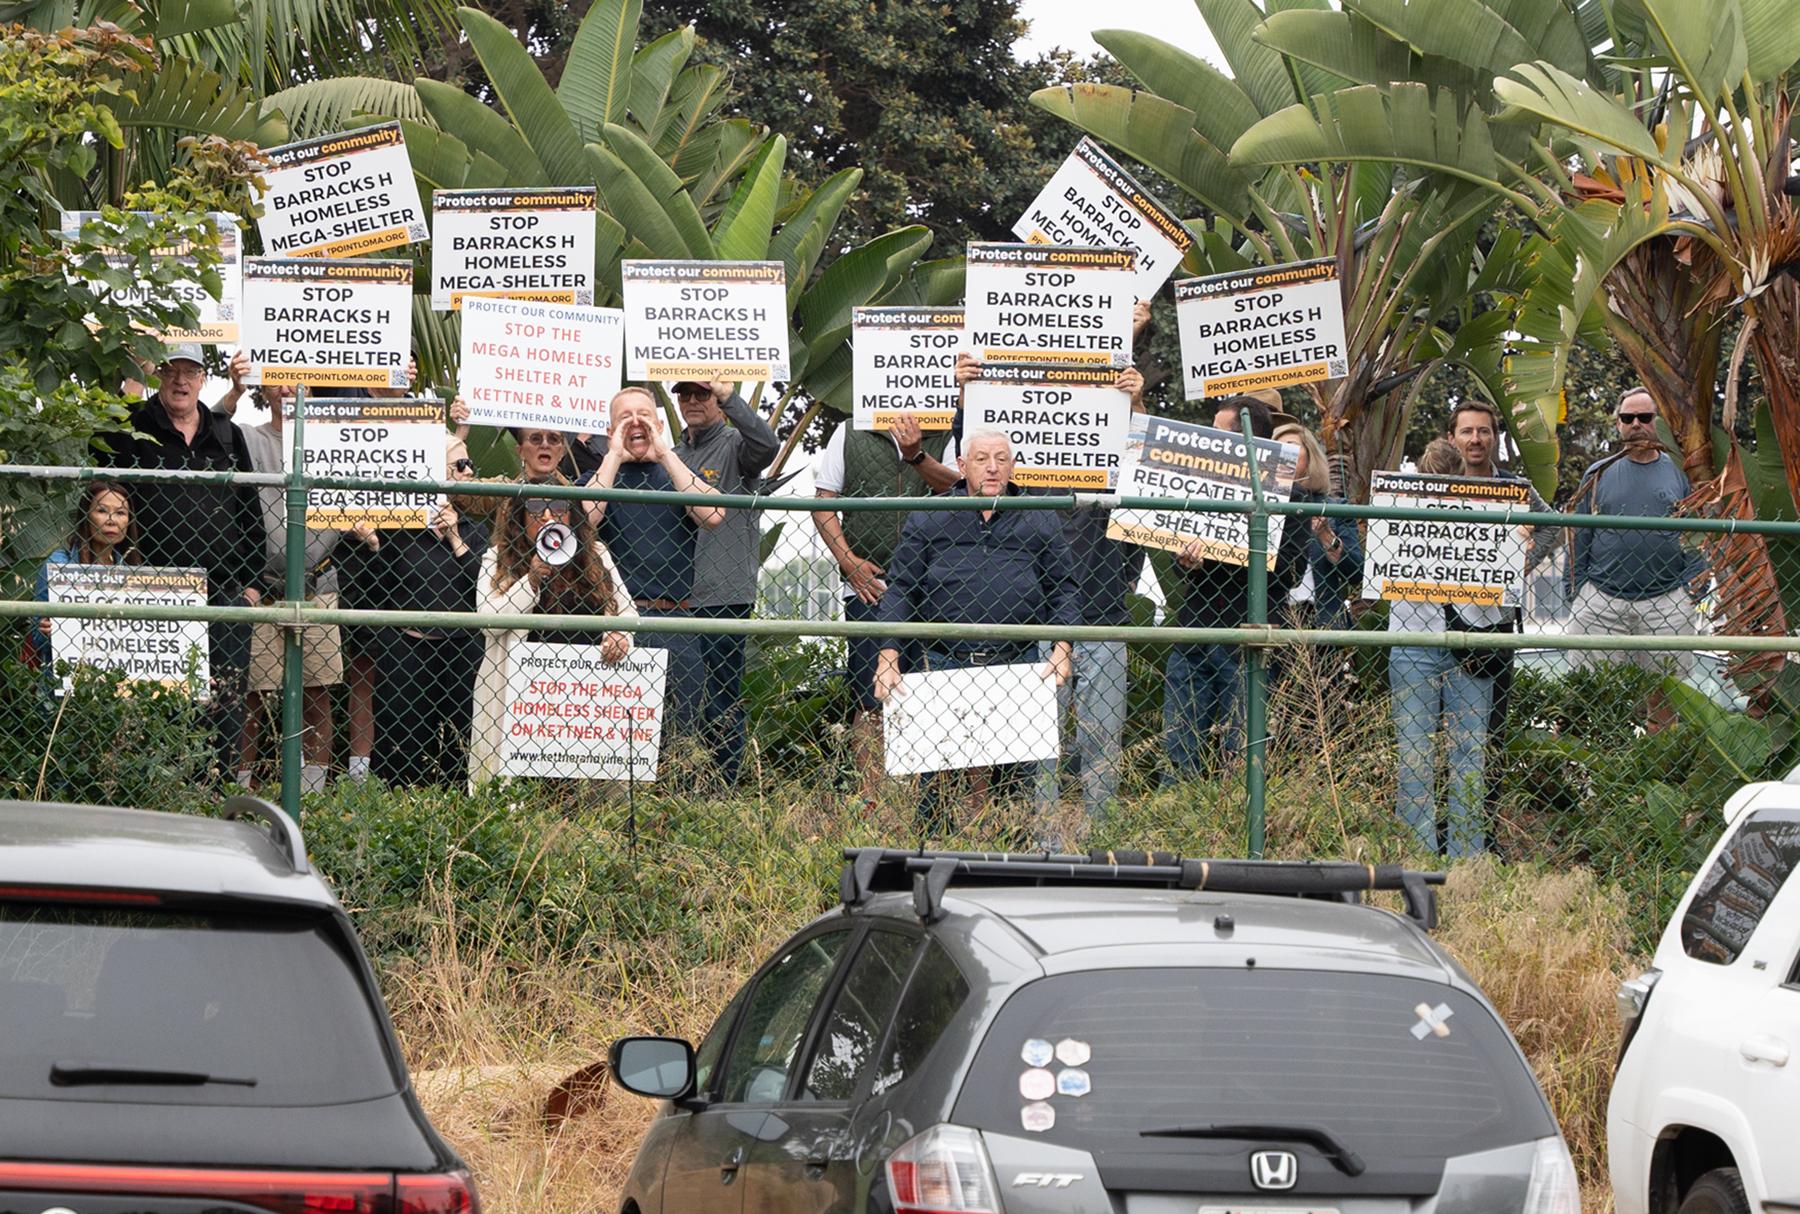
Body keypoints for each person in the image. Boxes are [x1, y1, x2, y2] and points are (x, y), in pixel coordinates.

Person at [873, 429, 1078, 822]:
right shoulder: (930, 515)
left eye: (1001, 458)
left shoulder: (1039, 515)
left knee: (1014, 788)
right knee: (936, 782)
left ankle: (1011, 866)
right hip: (943, 661)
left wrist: (1062, 648)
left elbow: (1063, 588)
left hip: (1017, 665)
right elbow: (901, 589)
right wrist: (888, 656)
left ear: (1013, 467)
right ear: (962, 467)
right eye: (982, 459)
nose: (992, 467)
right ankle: (930, 860)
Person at [99, 344, 266, 778]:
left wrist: (251, 584)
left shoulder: (227, 435)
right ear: (159, 376)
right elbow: (100, 465)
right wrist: (132, 374)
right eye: (171, 370)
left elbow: (250, 511)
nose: (180, 381)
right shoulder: (135, 427)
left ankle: (219, 791)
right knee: (164, 700)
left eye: (190, 372)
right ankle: (165, 791)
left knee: (226, 703)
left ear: (202, 380)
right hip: (155, 589)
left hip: (225, 592)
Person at [811, 412, 959, 804]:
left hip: (936, 588)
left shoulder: (950, 430)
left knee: (935, 696)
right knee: (870, 698)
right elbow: (823, 502)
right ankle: (870, 803)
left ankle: (930, 804)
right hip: (870, 588)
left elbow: (963, 489)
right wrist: (849, 562)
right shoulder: (848, 431)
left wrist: (917, 454)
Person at [1161, 395, 1311, 781]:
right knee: (1180, 750)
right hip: (1195, 632)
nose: (1208, 438)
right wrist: (1188, 561)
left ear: (1246, 441)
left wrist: (1233, 548)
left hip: (1249, 644)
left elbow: (1292, 571)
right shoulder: (1197, 488)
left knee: (1242, 757)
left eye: (1218, 431)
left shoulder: (1289, 497)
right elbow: (1184, 567)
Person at [585, 387, 726, 755]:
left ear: (660, 424)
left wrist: (663, 452)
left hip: (675, 620)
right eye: (624, 418)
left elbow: (713, 515)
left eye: (644, 415)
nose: (635, 423)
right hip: (616, 623)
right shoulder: (600, 475)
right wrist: (614, 454)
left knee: (681, 737)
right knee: (614, 742)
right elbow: (584, 519)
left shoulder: (678, 474)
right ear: (610, 430)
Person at [467, 494, 635, 788]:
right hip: (519, 698)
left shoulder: (595, 553)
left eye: (558, 507)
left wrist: (619, 635)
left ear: (572, 516)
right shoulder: (498, 557)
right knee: (517, 785)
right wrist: (529, 581)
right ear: (520, 518)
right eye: (534, 508)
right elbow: (488, 623)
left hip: (582, 697)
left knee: (582, 785)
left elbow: (626, 611)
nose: (547, 516)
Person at [1386, 438, 1502, 858]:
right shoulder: (1398, 505)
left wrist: (1523, 544)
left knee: (1464, 755)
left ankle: (1464, 860)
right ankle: (1420, 857)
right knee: (1420, 755)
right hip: (1414, 639)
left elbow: (1542, 522)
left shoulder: (1491, 507)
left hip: (1469, 639)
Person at [232, 384, 348, 793]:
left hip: (320, 584)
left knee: (317, 691)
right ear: (263, 384)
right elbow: (202, 422)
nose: (286, 389)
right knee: (251, 696)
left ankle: (312, 793)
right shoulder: (248, 435)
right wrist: (231, 389)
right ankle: (241, 786)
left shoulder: (336, 440)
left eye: (296, 379)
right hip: (261, 587)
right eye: (278, 378)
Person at [1567, 387, 1703, 724]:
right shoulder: (1598, 474)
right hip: (1601, 601)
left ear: (1656, 421)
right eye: (1628, 418)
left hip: (1667, 601)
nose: (1636, 424)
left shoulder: (1679, 472)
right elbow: (1579, 536)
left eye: (1645, 417)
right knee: (1592, 698)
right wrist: (1578, 592)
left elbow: (1697, 534)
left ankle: (1661, 772)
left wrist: (1690, 592)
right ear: (1618, 424)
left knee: (1666, 700)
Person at [671, 380, 780, 786]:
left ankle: (722, 788)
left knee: (720, 698)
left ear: (717, 400)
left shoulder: (736, 445)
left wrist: (732, 397)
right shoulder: (674, 454)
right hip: (675, 597)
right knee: (678, 700)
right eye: (686, 395)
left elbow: (766, 446)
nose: (694, 402)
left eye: (703, 394)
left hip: (722, 593)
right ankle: (678, 784)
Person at [368, 438, 490, 786]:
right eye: (460, 465)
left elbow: (483, 587)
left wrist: (455, 540)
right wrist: (374, 546)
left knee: (458, 741)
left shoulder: (475, 530)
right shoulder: (399, 528)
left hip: (461, 650)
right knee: (401, 742)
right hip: (407, 649)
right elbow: (377, 590)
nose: (469, 471)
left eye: (469, 464)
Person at [32, 481, 143, 670]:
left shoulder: (133, 572)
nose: (111, 520)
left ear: (129, 520)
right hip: (68, 680)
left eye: (120, 513)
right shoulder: (59, 564)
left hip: (120, 679)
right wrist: (45, 632)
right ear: (86, 516)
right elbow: (37, 640)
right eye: (101, 511)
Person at [1271, 419, 1362, 630]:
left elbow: (1357, 573)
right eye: (1277, 448)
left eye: (1291, 446)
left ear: (1310, 455)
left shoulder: (1335, 508)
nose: (1284, 454)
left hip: (1323, 624)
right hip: (1273, 619)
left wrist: (1327, 537)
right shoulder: (1259, 507)